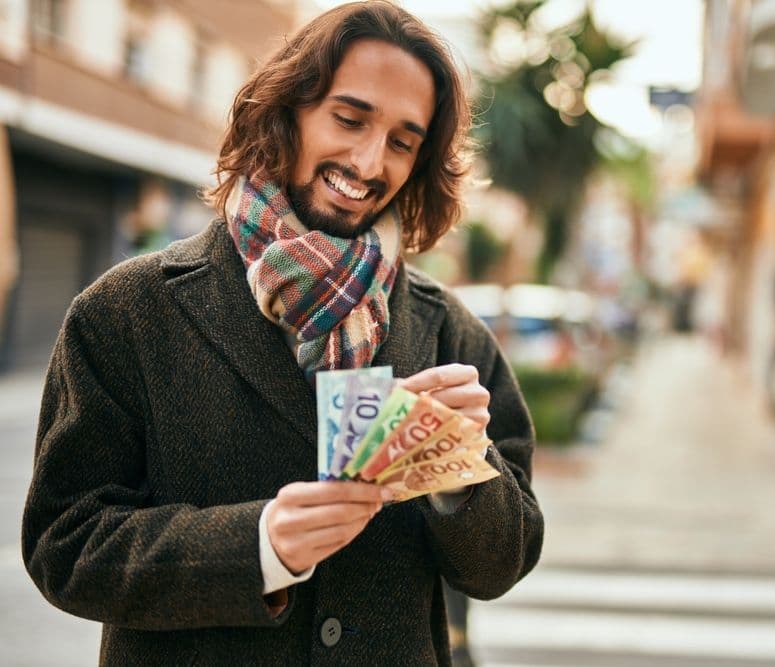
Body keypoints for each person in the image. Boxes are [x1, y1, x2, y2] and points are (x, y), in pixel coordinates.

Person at [21, 3, 543, 665]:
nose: (368, 160)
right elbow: (64, 544)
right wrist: (259, 547)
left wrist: (463, 477)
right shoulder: (126, 310)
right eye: (349, 119)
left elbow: (505, 561)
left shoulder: (450, 333)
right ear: (287, 110)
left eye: (403, 141)